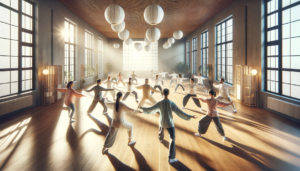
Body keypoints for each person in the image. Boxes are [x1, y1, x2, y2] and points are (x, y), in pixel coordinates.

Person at [140, 88, 197, 163]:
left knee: (161, 128)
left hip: (162, 122)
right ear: (168, 93)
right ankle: (171, 158)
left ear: (163, 93)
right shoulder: (171, 103)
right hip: (169, 123)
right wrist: (190, 116)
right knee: (172, 139)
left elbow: (151, 109)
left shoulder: (159, 102)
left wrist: (142, 108)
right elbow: (180, 112)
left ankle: (160, 137)